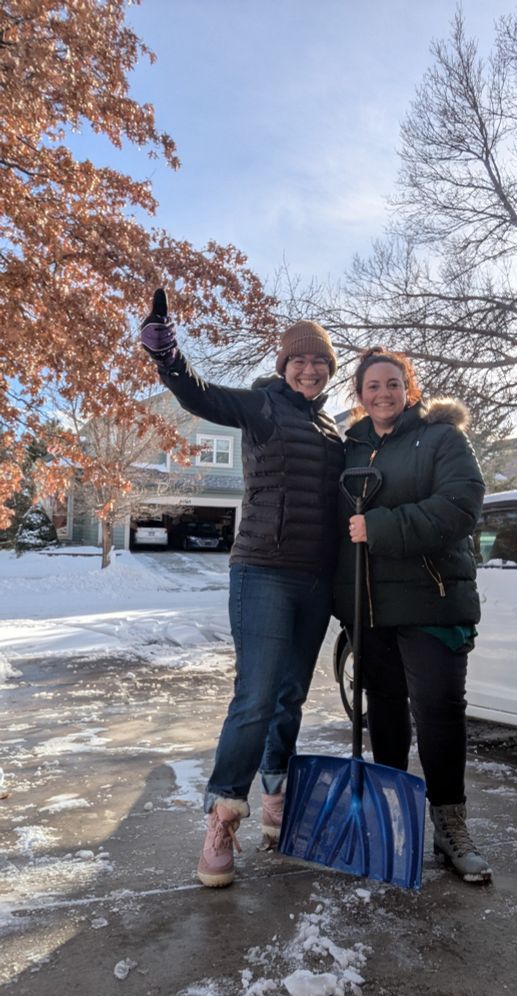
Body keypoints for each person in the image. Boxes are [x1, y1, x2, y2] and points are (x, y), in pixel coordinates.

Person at [140, 307, 344, 887]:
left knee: (291, 697)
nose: (309, 369)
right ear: (284, 366)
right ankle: (224, 813)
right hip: (263, 572)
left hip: (316, 578)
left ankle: (276, 796)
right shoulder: (261, 406)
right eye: (299, 359)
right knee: (256, 696)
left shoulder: (332, 432)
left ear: (329, 370)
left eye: (319, 361)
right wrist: (167, 357)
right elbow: (201, 396)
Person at [333, 347, 492, 883]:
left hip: (432, 598)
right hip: (370, 605)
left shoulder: (441, 438)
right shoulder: (350, 446)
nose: (383, 393)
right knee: (384, 714)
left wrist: (381, 526)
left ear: (410, 388)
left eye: (393, 384)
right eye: (372, 386)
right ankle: (389, 817)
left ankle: (451, 827)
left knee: (439, 712)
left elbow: (461, 504)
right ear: (359, 395)